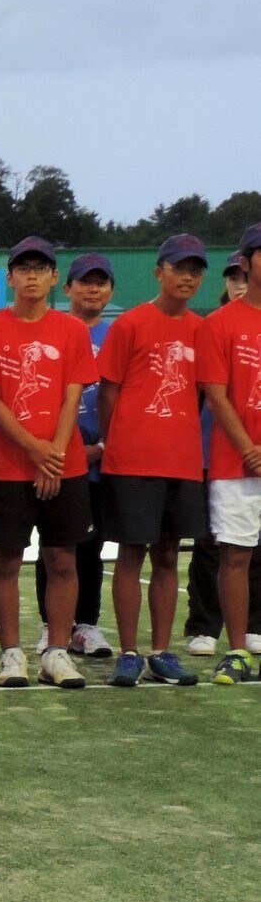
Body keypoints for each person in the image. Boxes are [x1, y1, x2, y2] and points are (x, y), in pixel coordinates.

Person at [0, 237, 100, 689]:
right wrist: (33, 450)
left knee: (63, 559)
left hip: (65, 466)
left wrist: (54, 457)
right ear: (10, 277)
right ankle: (11, 655)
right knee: (6, 560)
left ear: (52, 278)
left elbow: (72, 394)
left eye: (40, 267)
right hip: (8, 467)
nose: (31, 275)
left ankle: (57, 654)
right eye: (22, 267)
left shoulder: (72, 331)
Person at [95, 236, 209, 685]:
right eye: (180, 268)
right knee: (131, 554)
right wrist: (117, 441)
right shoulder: (131, 324)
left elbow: (204, 392)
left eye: (196, 271)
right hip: (132, 460)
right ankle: (128, 653)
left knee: (167, 556)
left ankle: (161, 651)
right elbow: (108, 391)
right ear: (159, 271)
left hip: (182, 461)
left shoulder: (203, 330)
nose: (188, 277)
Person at [32, 254, 115, 660]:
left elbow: (124, 397)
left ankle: (87, 625)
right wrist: (54, 451)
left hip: (99, 461)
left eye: (101, 282)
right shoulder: (52, 331)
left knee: (91, 546)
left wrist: (102, 448)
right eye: (85, 282)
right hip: (51, 457)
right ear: (66, 288)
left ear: (111, 291)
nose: (93, 289)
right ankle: (52, 628)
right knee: (52, 546)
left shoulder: (116, 335)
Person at [184, 247, 261, 655]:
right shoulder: (214, 325)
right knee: (218, 548)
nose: (239, 283)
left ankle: (253, 627)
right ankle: (217, 635)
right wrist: (249, 447)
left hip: (246, 454)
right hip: (225, 457)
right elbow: (212, 396)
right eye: (234, 277)